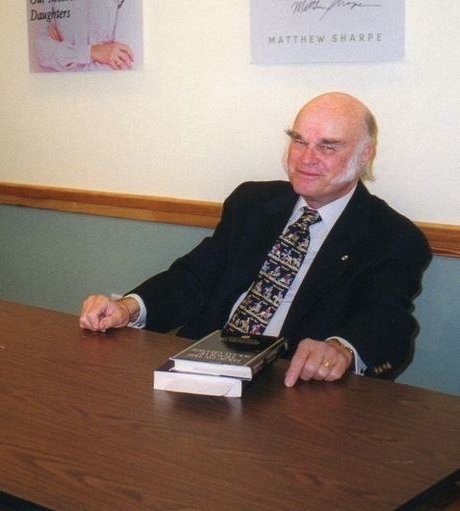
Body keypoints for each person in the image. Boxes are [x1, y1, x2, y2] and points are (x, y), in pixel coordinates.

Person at [79, 92, 431, 387]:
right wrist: (129, 307)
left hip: (288, 386)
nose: (306, 159)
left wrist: (342, 349)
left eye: (328, 147)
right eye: (299, 141)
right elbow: (193, 277)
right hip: (198, 367)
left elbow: (388, 320)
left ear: (364, 154)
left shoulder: (391, 236)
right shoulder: (252, 203)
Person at [33, 0, 140, 72]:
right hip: (63, 96)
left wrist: (64, 59)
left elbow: (123, 62)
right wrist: (93, 52)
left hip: (109, 95)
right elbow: (40, 51)